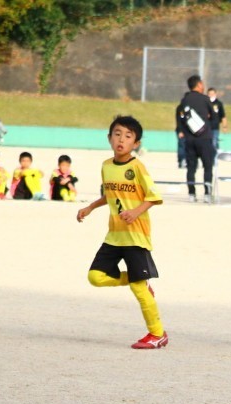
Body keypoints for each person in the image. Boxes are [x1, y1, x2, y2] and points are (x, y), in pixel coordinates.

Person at [75, 116, 168, 349]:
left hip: (136, 236)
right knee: (95, 277)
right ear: (109, 138)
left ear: (136, 143)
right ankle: (136, 279)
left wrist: (136, 212)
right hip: (114, 236)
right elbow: (109, 195)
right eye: (117, 134)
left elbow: (154, 196)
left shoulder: (137, 167)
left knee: (139, 289)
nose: (121, 140)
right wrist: (90, 207)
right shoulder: (106, 166)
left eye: (128, 136)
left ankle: (157, 334)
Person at [176, 75, 215, 202]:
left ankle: (192, 194)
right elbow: (215, 117)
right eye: (202, 84)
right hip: (204, 138)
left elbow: (180, 118)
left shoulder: (185, 100)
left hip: (190, 139)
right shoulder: (205, 99)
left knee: (191, 167)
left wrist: (182, 131)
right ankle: (207, 194)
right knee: (207, 166)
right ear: (198, 85)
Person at [207, 87, 227, 157]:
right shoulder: (206, 103)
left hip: (215, 127)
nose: (211, 95)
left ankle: (213, 159)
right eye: (210, 94)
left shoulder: (219, 104)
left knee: (214, 142)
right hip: (206, 128)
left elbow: (223, 116)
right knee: (207, 143)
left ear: (215, 94)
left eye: (212, 94)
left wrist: (224, 126)